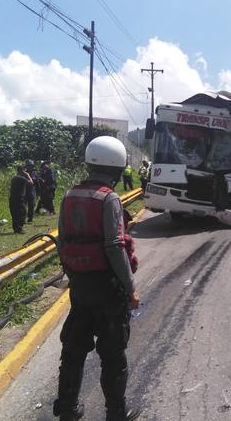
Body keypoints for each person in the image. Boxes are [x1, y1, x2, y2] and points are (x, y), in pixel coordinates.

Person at [54, 136, 140, 421]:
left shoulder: (69, 195)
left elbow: (62, 240)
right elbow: (115, 246)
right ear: (117, 167)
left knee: (73, 350)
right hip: (107, 287)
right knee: (113, 354)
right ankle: (117, 412)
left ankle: (67, 409)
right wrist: (130, 288)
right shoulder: (109, 198)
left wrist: (73, 273)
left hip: (80, 287)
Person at [9, 166, 32, 234]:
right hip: (19, 199)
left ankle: (16, 229)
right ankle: (19, 229)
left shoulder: (14, 178)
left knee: (15, 214)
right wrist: (27, 175)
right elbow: (31, 182)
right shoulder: (21, 178)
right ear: (22, 171)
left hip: (12, 199)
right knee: (22, 212)